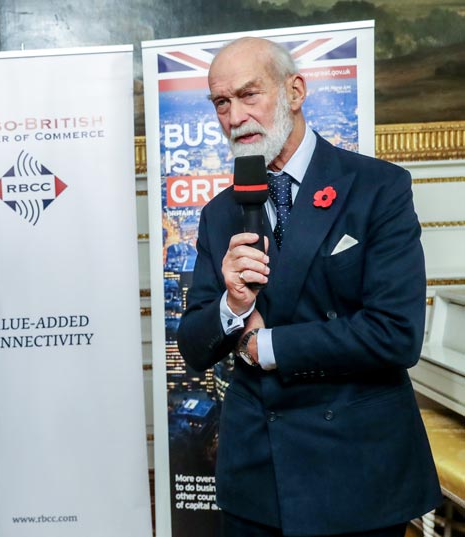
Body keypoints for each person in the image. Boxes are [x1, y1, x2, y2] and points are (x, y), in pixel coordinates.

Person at [176, 37, 441, 537]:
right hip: (258, 479)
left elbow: (396, 333)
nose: (235, 117)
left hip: (358, 471)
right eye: (221, 102)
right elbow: (192, 345)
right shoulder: (219, 213)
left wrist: (264, 346)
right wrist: (232, 306)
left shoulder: (377, 188)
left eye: (248, 94)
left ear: (295, 91)